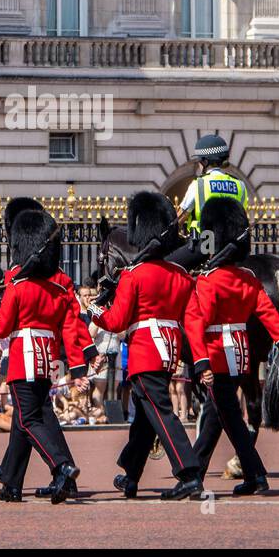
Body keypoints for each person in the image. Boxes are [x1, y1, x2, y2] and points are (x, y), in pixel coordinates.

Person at [89, 192, 204, 500]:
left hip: (146, 352)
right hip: (169, 351)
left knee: (161, 413)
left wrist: (93, 311)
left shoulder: (133, 275)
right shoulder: (181, 275)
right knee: (144, 417)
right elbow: (190, 318)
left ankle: (189, 473)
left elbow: (116, 322)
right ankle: (131, 474)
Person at [184, 197, 279, 497]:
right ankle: (244, 475)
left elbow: (196, 323)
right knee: (223, 415)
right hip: (241, 355)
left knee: (223, 416)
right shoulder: (247, 278)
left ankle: (200, 476)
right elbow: (267, 312)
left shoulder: (208, 281)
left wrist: (201, 363)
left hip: (218, 355)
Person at [0, 206, 84, 504]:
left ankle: (61, 465)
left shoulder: (18, 288)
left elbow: (2, 327)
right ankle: (12, 482)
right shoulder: (56, 290)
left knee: (28, 420)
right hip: (47, 360)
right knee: (26, 417)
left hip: (23, 359)